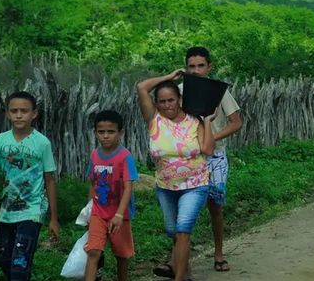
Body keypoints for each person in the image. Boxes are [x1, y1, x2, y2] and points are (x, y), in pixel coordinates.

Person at [137, 70, 216, 281]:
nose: (166, 105)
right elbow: (141, 87)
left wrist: (207, 121)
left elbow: (208, 149)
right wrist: (168, 78)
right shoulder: (154, 119)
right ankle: (185, 271)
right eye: (161, 101)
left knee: (183, 230)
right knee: (173, 232)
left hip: (195, 184)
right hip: (166, 186)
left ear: (179, 99)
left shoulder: (194, 121)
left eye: (171, 100)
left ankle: (178, 277)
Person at [0, 91, 59, 281]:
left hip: (32, 211)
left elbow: (49, 180)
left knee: (20, 264)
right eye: (14, 111)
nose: (19, 115)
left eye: (24, 111)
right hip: (7, 211)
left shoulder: (42, 143)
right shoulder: (1, 141)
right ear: (8, 114)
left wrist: (53, 218)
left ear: (34, 114)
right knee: (4, 260)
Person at [184, 46, 242, 272]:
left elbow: (236, 122)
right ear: (186, 67)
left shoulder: (219, 92)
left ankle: (218, 253)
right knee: (186, 208)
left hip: (215, 156)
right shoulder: (180, 91)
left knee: (215, 206)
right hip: (189, 157)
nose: (197, 70)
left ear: (209, 66)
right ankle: (181, 261)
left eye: (201, 65)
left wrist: (210, 138)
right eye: (192, 66)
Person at [84, 110, 139, 281]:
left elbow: (128, 187)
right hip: (98, 212)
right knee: (93, 251)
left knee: (121, 255)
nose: (106, 136)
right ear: (95, 133)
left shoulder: (125, 157)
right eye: (101, 132)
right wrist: (89, 209)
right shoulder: (94, 155)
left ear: (120, 133)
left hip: (119, 214)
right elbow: (93, 183)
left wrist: (119, 215)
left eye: (111, 131)